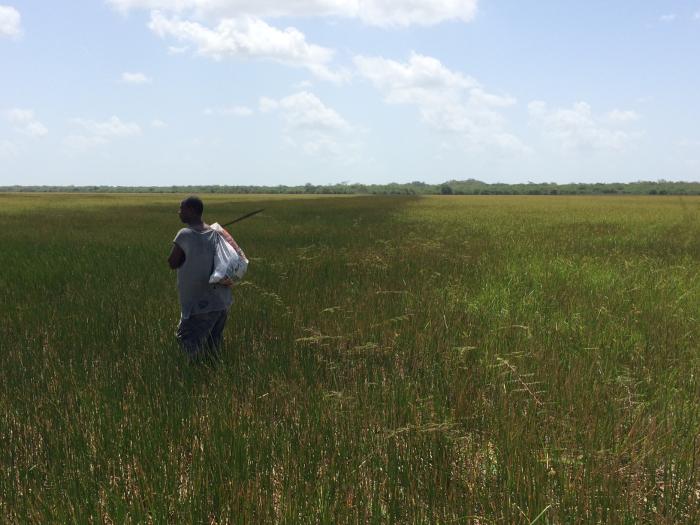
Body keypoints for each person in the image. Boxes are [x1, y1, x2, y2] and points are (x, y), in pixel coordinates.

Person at [168, 196, 232, 359]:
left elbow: (172, 262)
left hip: (199, 304)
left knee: (187, 342)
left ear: (191, 210)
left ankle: (191, 379)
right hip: (221, 302)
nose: (179, 212)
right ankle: (213, 379)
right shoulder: (215, 233)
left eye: (181, 208)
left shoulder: (185, 234)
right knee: (213, 349)